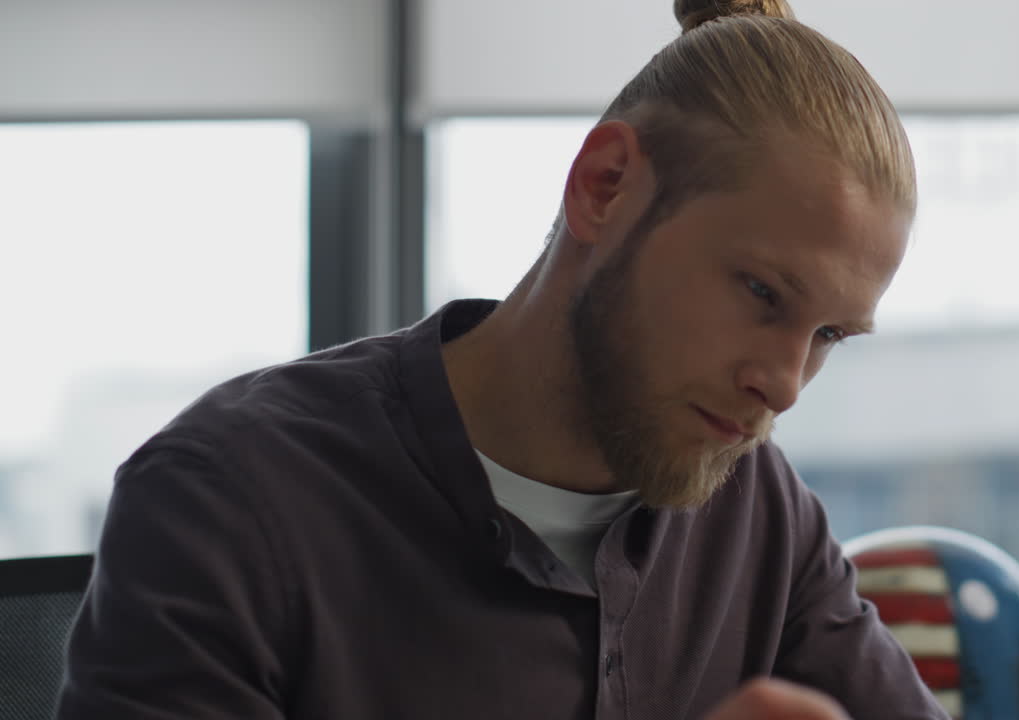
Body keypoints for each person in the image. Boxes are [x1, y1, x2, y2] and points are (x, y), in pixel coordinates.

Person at [57, 1, 947, 718]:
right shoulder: (227, 505)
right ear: (606, 186)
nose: (784, 386)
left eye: (828, 336)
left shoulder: (758, 514)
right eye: (761, 293)